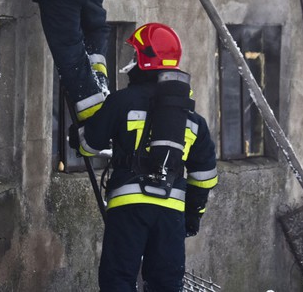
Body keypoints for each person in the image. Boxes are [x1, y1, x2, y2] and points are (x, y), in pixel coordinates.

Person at [74, 23, 219, 292]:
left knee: (118, 279)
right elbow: (204, 176)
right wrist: (192, 216)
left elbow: (88, 146)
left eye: (134, 55)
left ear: (143, 60)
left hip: (128, 207)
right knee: (165, 284)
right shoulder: (193, 120)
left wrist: (79, 128)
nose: (131, 61)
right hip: (172, 212)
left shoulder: (121, 101)